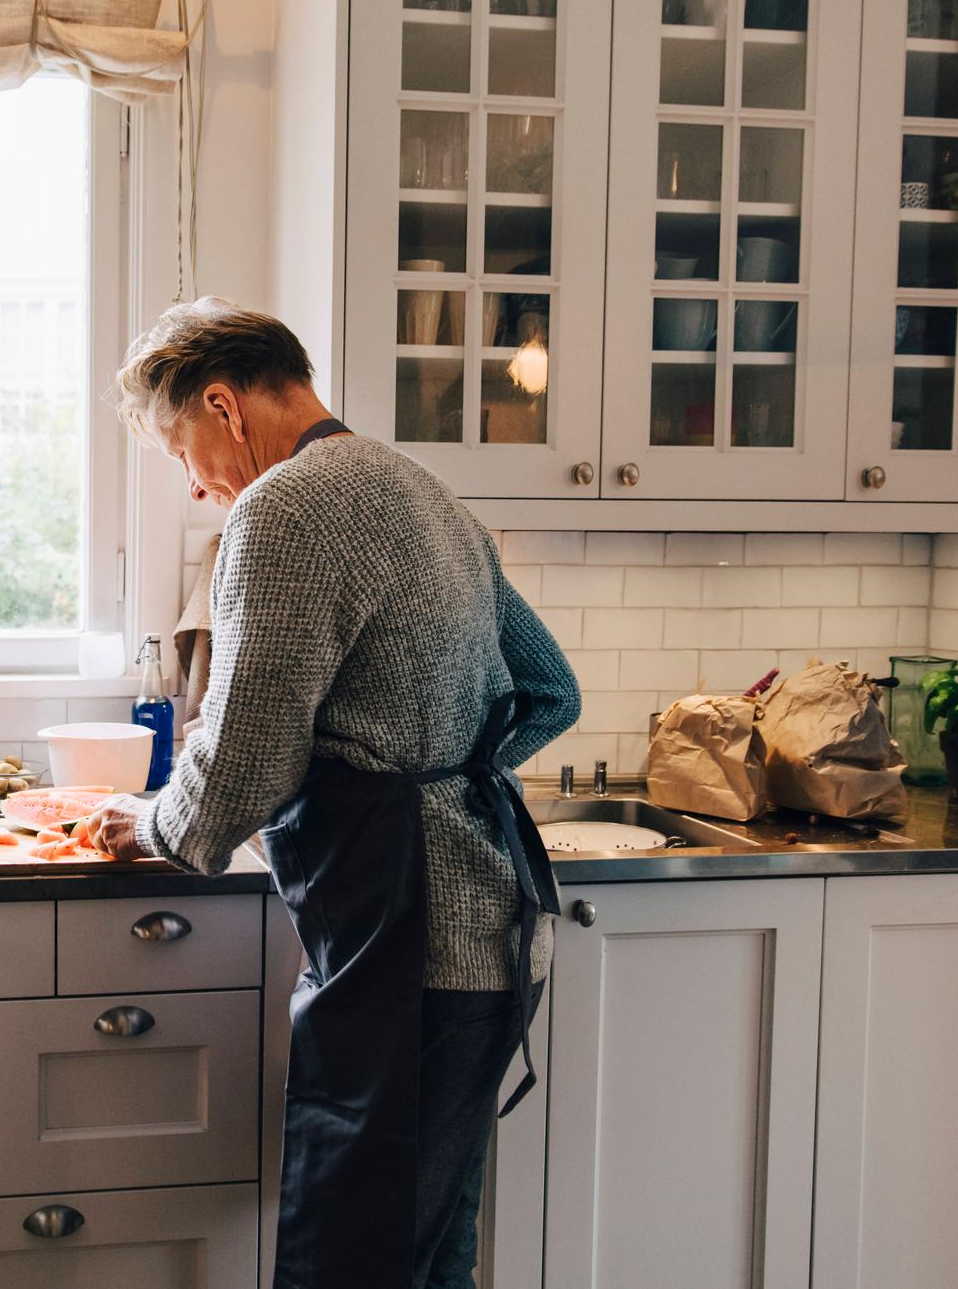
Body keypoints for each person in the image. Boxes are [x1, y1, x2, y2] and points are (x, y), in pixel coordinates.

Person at [88, 298, 580, 1289]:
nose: (193, 486)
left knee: (353, 1263)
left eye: (181, 449)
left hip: (407, 955)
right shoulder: (427, 496)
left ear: (222, 405)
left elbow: (240, 767)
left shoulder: (281, 508)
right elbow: (548, 693)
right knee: (429, 1258)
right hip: (484, 943)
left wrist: (144, 822)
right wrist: (442, 771)